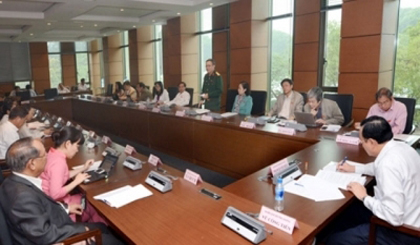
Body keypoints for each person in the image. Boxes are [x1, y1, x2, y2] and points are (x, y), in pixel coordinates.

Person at [0, 137, 124, 245]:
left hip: (54, 223)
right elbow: (44, 235)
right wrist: (79, 233)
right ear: (32, 164)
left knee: (102, 227)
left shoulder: (10, 182)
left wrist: (65, 208)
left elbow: (37, 211)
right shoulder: (22, 196)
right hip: (57, 234)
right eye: (44, 155)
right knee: (113, 241)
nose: (48, 157)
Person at [326, 116, 420, 245]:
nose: (361, 144)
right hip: (412, 215)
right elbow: (377, 167)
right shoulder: (402, 148)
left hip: (402, 232)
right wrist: (354, 168)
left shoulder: (388, 165)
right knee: (348, 212)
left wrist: (364, 197)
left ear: (371, 142)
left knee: (335, 241)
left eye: (362, 141)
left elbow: (394, 217)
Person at [40, 126, 107, 224]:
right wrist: (76, 181)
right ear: (67, 144)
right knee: (95, 205)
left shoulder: (52, 153)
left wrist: (83, 168)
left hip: (50, 204)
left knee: (86, 199)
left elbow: (62, 175)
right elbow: (55, 194)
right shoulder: (58, 163)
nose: (77, 150)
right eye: (77, 146)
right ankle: (94, 231)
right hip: (59, 208)